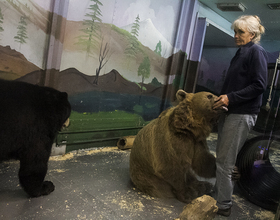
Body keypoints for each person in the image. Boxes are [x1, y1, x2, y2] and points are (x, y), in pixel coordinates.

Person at [212, 15, 268, 217]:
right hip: (231, 112)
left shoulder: (256, 52)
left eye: (240, 32)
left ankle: (223, 205)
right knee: (222, 159)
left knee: (225, 163)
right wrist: (223, 102)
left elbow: (260, 85)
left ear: (252, 34)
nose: (235, 35)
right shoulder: (242, 52)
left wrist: (230, 98)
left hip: (242, 115)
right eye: (235, 31)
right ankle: (217, 195)